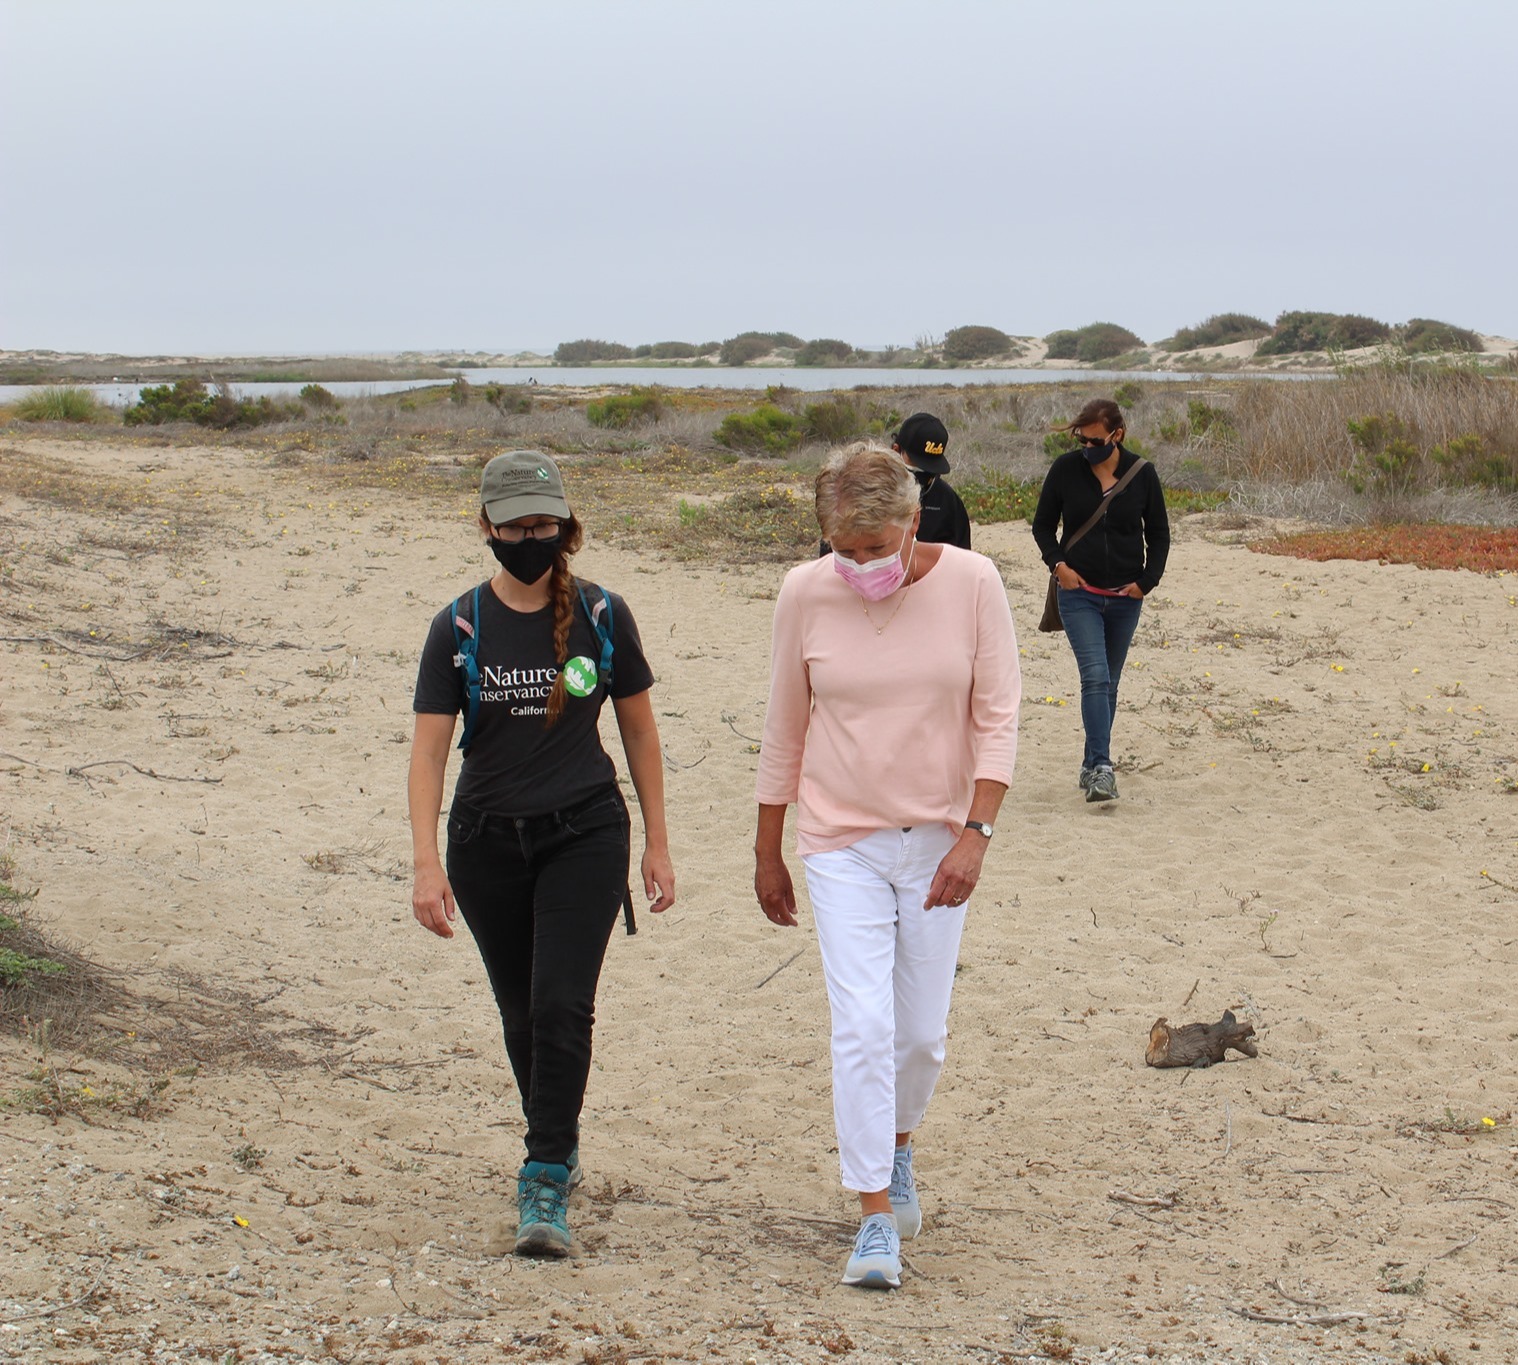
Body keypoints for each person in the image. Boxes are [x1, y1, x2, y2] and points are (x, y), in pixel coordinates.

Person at [754, 443, 1020, 1290]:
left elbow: (999, 717)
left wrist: (977, 832)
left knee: (920, 1035)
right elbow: (784, 725)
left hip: (941, 837)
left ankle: (897, 1145)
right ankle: (873, 1215)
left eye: (878, 544)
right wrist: (768, 847)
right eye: (846, 548)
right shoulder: (805, 592)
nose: (862, 564)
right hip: (841, 841)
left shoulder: (975, 583)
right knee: (863, 1024)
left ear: (913, 520)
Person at [409, 450, 675, 1258]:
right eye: (516, 524)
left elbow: (638, 730)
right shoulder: (458, 624)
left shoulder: (602, 612)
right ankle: (556, 1135)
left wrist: (658, 842)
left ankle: (545, 1171)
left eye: (545, 524)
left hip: (585, 831)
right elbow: (428, 753)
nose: (532, 537)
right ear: (486, 526)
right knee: (522, 1013)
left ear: (567, 524)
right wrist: (426, 861)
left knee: (563, 1003)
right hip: (485, 841)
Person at [1030, 398, 1170, 803]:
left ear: (1117, 435)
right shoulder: (1065, 470)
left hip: (1127, 597)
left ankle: (1092, 762)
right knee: (1094, 676)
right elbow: (1042, 527)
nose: (1087, 448)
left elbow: (1159, 534)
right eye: (1082, 440)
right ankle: (1103, 769)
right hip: (1078, 595)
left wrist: (1147, 582)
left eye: (1095, 441)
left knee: (1109, 683)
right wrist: (1059, 567)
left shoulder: (1143, 474)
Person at [818, 412, 971, 556]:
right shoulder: (863, 489)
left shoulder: (948, 501)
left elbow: (963, 558)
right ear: (896, 450)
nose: (923, 476)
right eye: (917, 464)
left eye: (929, 469)